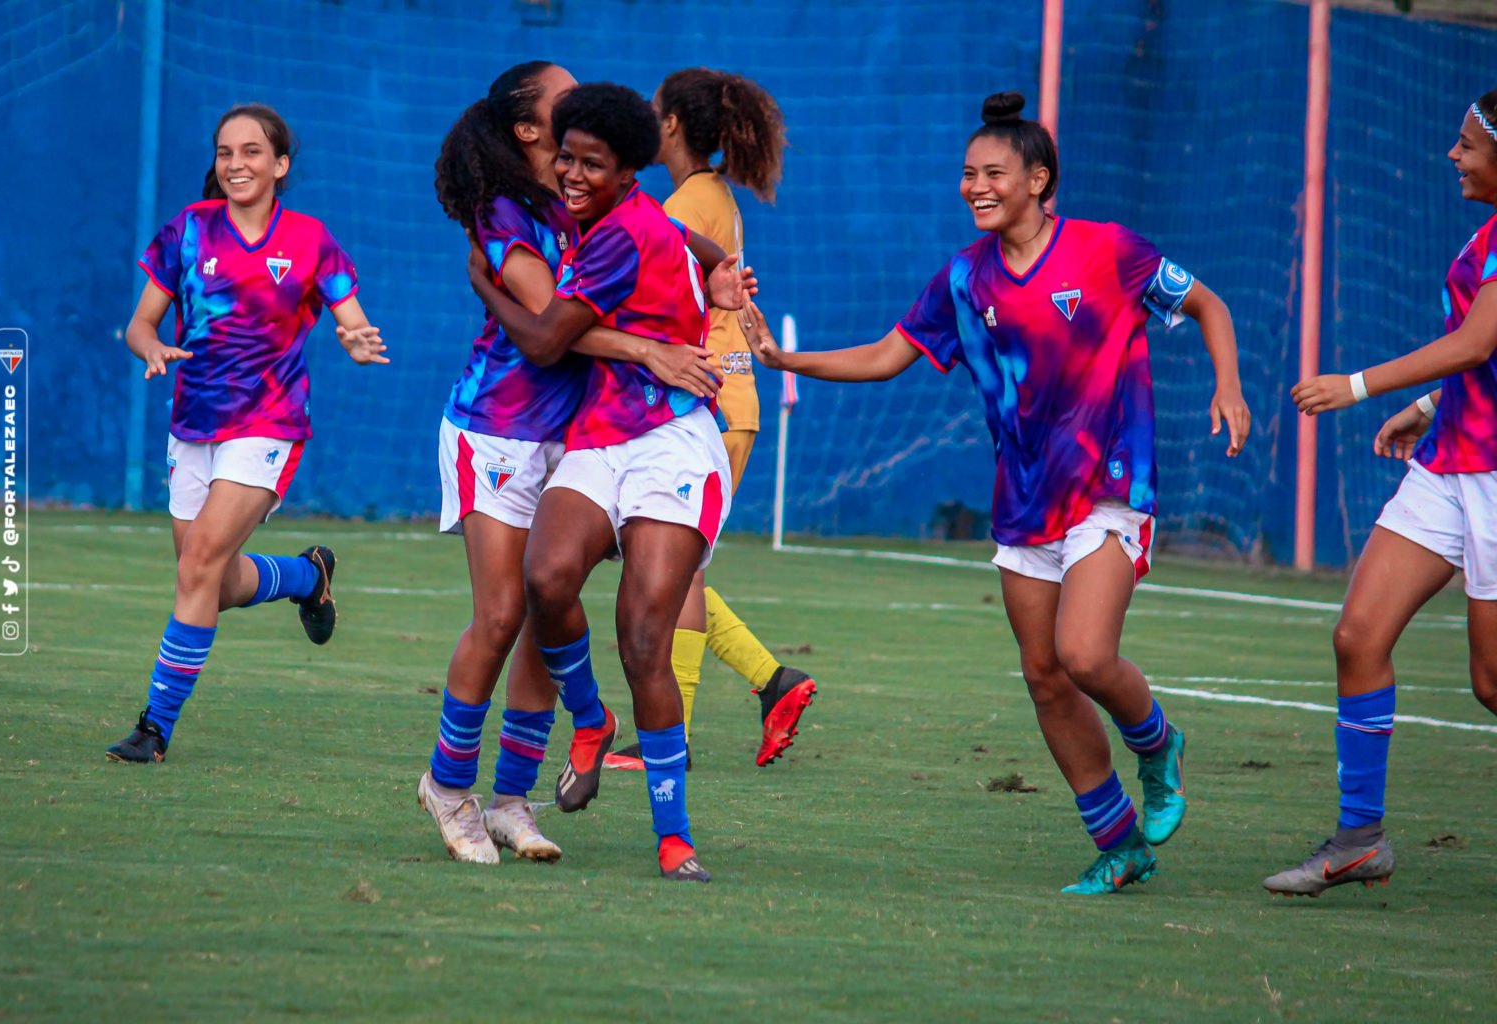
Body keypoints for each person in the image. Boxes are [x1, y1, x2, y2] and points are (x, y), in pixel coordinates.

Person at [740, 92, 1251, 894]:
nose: (974, 186)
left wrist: (1229, 385)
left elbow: (1206, 303)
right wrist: (780, 360)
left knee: (1085, 655)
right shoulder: (962, 278)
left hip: (1113, 486)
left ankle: (1156, 746)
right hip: (1024, 503)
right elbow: (885, 355)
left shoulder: (1108, 250)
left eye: (993, 174)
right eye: (967, 174)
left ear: (1039, 180)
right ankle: (1119, 846)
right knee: (1045, 676)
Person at [419, 63, 721, 865]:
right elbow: (551, 327)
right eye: (561, 95)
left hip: (574, 432)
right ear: (528, 129)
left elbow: (655, 224)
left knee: (543, 625)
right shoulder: (506, 212)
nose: (578, 94)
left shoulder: (572, 191)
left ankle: (514, 799)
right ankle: (450, 790)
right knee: (501, 614)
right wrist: (648, 349)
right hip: (498, 430)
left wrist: (715, 262)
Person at [1265, 91, 1497, 898]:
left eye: (1466, 143)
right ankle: (1360, 838)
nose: (1452, 154)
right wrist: (1430, 407)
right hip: (1449, 463)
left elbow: (1476, 341)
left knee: (1492, 681)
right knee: (1358, 635)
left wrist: (1356, 386)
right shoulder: (1486, 237)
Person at [106, 103, 388, 763]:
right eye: (226, 152)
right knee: (209, 579)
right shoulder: (188, 232)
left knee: (200, 566)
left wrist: (355, 337)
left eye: (253, 151)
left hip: (268, 422)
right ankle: (304, 577)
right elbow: (139, 324)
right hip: (193, 424)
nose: (237, 163)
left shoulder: (311, 239)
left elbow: (350, 315)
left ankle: (155, 728)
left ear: (280, 165)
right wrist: (149, 346)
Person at [604, 67, 816, 774]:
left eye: (655, 111)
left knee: (675, 572)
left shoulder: (689, 201)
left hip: (710, 399)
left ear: (669, 126)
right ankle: (772, 682)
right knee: (665, 565)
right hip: (724, 397)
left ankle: (676, 734)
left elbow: (651, 284)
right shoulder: (706, 194)